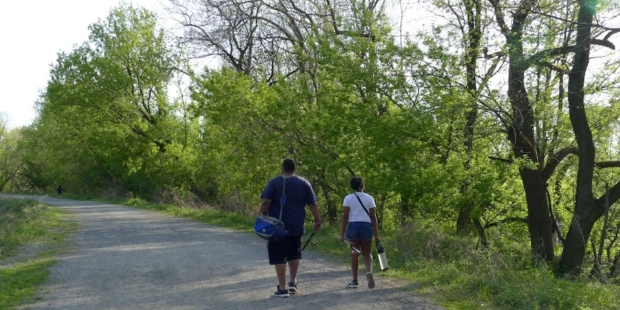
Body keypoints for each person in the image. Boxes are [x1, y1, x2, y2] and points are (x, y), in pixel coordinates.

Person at [258, 158, 321, 298]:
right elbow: (313, 204)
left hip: (277, 228)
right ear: (295, 168)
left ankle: (282, 288)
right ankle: (293, 283)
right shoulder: (304, 183)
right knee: (294, 253)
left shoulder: (274, 182)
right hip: (297, 226)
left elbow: (266, 202)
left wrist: (260, 217)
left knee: (279, 256)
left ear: (282, 168)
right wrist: (317, 220)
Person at [340, 177, 380, 289]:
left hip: (353, 226)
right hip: (366, 226)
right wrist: (377, 235)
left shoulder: (348, 198)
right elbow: (373, 217)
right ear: (362, 185)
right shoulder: (369, 198)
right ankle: (369, 272)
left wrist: (342, 234)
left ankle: (354, 281)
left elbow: (345, 217)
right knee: (367, 253)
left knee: (354, 254)